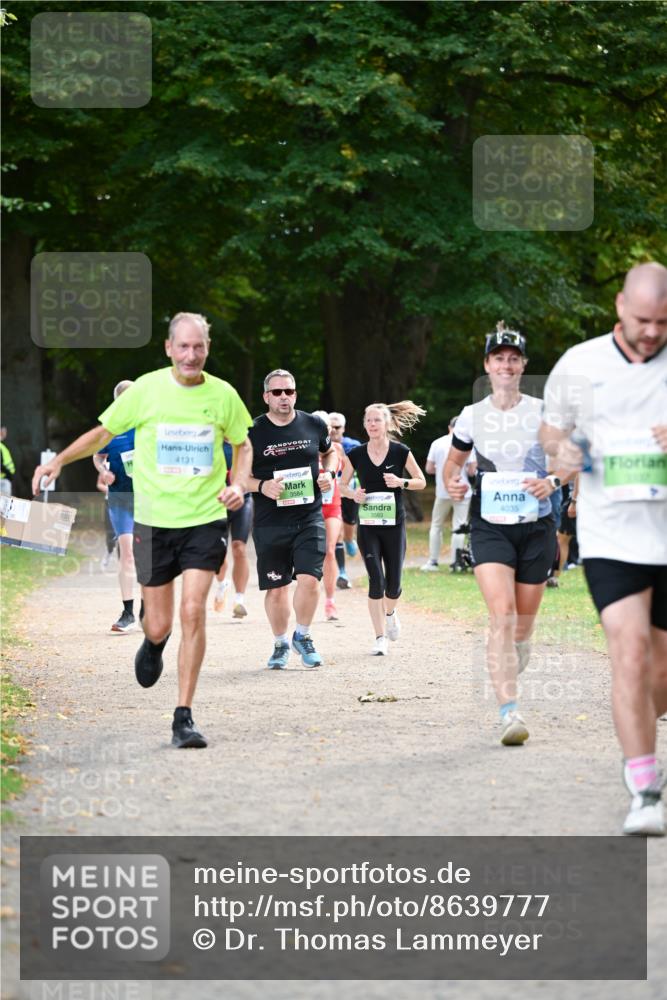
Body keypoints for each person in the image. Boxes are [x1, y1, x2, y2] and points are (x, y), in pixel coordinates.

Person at [32, 312, 253, 749]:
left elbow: (242, 444)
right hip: (153, 522)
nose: (191, 355)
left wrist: (239, 484)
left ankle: (183, 717)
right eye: (183, 347)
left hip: (203, 519)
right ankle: (153, 644)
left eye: (199, 347)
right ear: (169, 348)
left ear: (207, 349)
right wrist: (58, 460)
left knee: (193, 611)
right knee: (158, 624)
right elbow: (102, 433)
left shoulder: (223, 395)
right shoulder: (147, 390)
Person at [540, 262, 667, 836]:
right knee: (630, 653)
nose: (650, 332)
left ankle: (638, 719)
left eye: (662, 323)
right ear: (619, 306)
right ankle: (644, 787)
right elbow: (551, 434)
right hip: (612, 533)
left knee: (658, 675)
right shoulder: (580, 364)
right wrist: (564, 454)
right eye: (642, 319)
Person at [444, 323, 562, 746]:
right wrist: (455, 482)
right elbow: (452, 467)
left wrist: (552, 479)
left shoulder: (541, 411)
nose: (506, 365)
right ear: (487, 365)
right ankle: (509, 712)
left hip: (536, 526)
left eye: (514, 358)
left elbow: (566, 460)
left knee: (522, 626)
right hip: (490, 524)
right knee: (502, 615)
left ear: (523, 365)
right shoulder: (474, 415)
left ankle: (519, 649)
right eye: (499, 358)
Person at [247, 369, 337, 669]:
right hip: (270, 520)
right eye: (277, 392)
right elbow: (237, 477)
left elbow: (331, 453)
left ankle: (303, 635)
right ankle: (280, 644)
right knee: (277, 588)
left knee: (310, 579)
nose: (284, 397)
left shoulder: (313, 423)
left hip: (308, 515)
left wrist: (328, 473)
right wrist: (261, 486)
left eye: (289, 391)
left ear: (295, 394)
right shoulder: (252, 431)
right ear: (266, 397)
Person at [340, 401, 426, 655]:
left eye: (377, 420)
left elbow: (421, 481)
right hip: (368, 525)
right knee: (376, 580)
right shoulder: (355, 454)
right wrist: (353, 494)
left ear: (387, 424)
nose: (372, 425)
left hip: (394, 525)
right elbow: (342, 485)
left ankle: (390, 612)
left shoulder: (400, 451)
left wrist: (402, 482)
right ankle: (379, 638)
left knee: (394, 585)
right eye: (368, 420)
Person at [93, 381, 139, 632]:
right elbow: (97, 456)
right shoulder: (111, 430)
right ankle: (128, 612)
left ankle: (149, 610)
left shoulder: (149, 426)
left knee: (149, 556)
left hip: (149, 498)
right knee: (128, 552)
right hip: (120, 497)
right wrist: (104, 471)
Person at [421, 416, 475, 572]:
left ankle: (433, 561)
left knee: (436, 525)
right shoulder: (468, 444)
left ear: (449, 427)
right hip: (462, 491)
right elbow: (472, 471)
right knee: (459, 525)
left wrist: (442, 471)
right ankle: (456, 563)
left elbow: (429, 468)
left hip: (442, 491)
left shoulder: (437, 443)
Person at [212, 441, 253, 619]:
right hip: (216, 501)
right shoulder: (211, 439)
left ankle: (239, 600)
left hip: (242, 500)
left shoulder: (247, 442)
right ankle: (222, 584)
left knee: (239, 547)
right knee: (217, 551)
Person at [312, 410, 345, 621]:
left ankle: (330, 602)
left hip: (332, 504)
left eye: (328, 427)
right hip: (310, 506)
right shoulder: (306, 450)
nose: (327, 430)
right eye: (322, 426)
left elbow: (349, 473)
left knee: (329, 551)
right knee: (312, 553)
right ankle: (310, 594)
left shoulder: (338, 449)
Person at [328, 411, 361, 589]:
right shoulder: (320, 444)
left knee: (348, 529)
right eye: (330, 427)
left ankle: (350, 539)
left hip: (348, 492)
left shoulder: (352, 445)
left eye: (337, 427)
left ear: (344, 429)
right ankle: (342, 572)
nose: (333, 430)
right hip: (331, 496)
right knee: (337, 533)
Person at [0, 427, 15, 498]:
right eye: (3, 431)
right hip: (3, 480)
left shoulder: (2, 446)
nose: (5, 433)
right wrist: (8, 474)